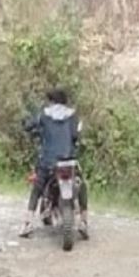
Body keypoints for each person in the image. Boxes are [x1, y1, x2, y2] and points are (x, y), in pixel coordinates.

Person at [20, 88, 89, 240]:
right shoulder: (73, 115)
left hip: (48, 161)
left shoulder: (44, 114)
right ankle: (83, 220)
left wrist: (26, 124)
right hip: (68, 161)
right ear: (65, 101)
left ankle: (27, 223)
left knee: (37, 187)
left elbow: (29, 126)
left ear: (51, 100)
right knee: (81, 185)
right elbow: (76, 136)